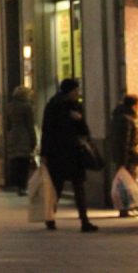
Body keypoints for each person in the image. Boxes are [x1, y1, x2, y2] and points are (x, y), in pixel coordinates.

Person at [40, 78, 98, 232]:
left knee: (78, 186)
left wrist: (79, 120)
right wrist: (44, 154)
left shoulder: (73, 106)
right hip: (59, 153)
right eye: (75, 90)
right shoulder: (54, 106)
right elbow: (48, 131)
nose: (77, 93)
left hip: (72, 152)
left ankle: (84, 220)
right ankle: (51, 218)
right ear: (68, 91)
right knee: (58, 188)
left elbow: (84, 130)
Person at [107, 93, 138, 217]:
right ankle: (126, 207)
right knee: (127, 182)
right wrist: (124, 160)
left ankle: (127, 207)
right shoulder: (126, 119)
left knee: (126, 182)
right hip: (128, 157)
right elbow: (125, 140)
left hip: (125, 156)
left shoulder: (119, 117)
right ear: (134, 105)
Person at [4, 86, 37, 195]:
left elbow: (7, 124)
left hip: (13, 135)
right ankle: (23, 186)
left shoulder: (9, 107)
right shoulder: (27, 107)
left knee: (15, 161)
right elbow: (30, 125)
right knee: (24, 162)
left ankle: (17, 185)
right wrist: (34, 140)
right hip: (24, 135)